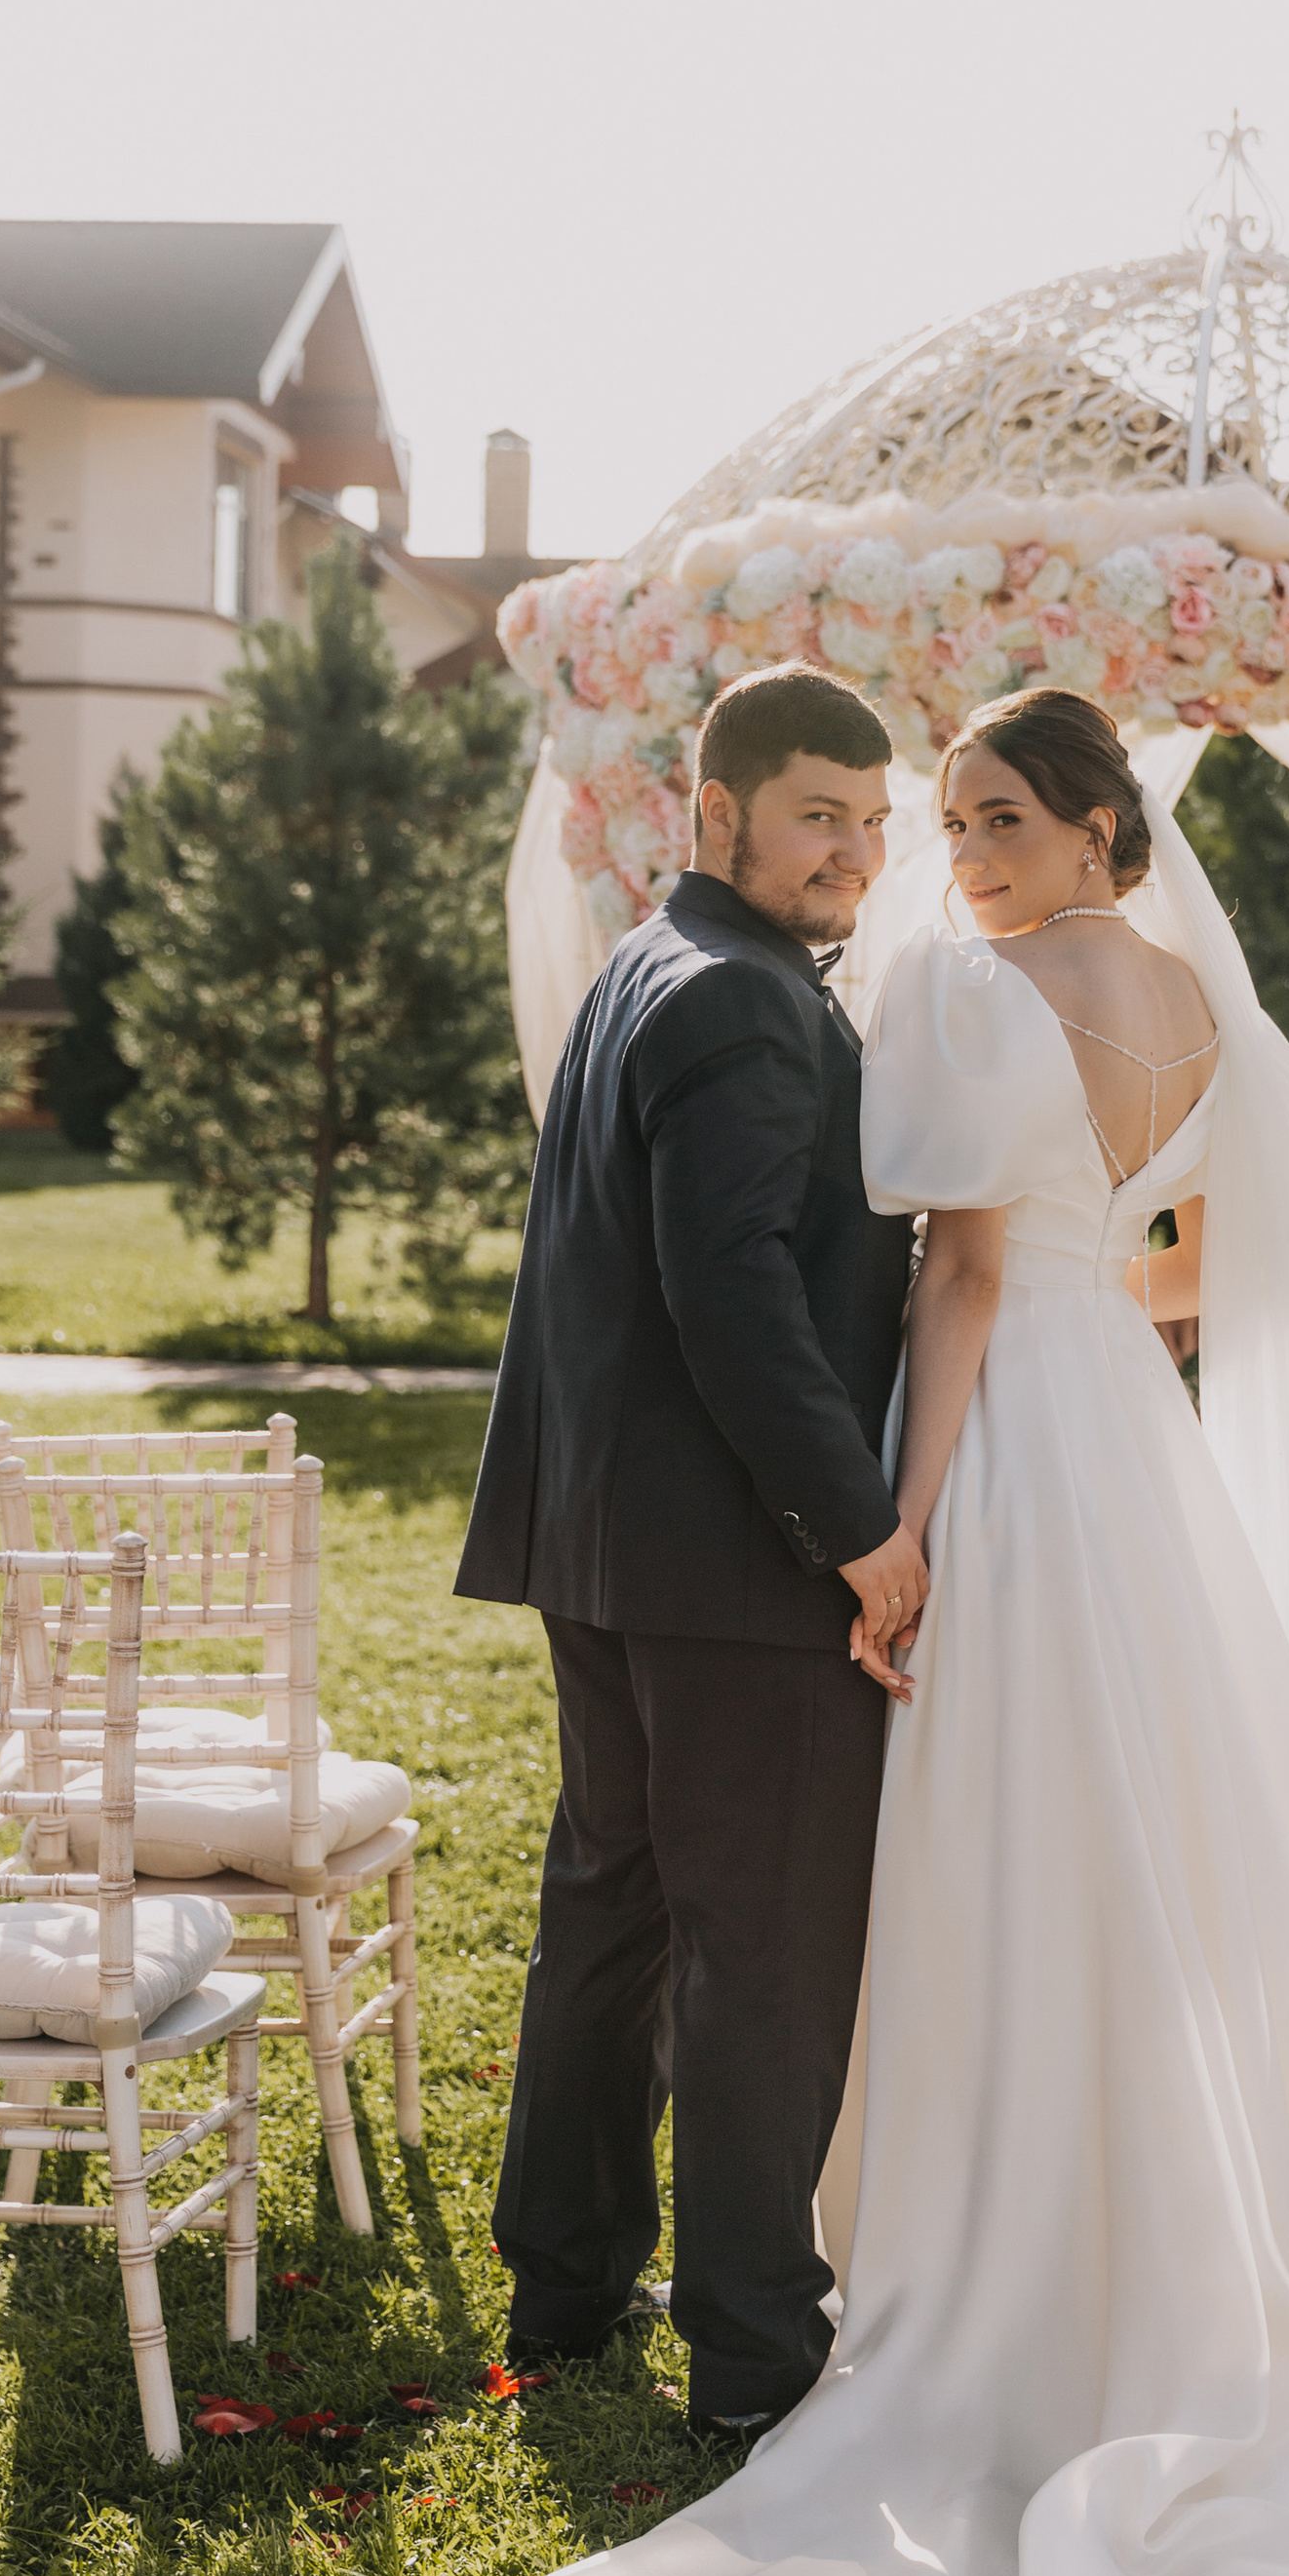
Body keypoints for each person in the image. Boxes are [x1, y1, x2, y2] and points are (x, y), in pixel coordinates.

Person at [505, 686, 1289, 2576]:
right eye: (944, 819)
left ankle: (933, 2249)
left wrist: (895, 1524)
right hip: (1134, 1452)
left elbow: (951, 1281)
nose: (960, 851)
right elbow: (1181, 1260)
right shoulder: (1201, 1006)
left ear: (1104, 824)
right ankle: (1128, 2250)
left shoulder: (958, 994)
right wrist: (1085, 1325)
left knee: (957, 1837)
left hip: (999, 1450)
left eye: (994, 817)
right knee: (1148, 1835)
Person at [454, 660, 925, 2419]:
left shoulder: (650, 969)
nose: (854, 856)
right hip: (734, 1564)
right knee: (768, 1949)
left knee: (619, 1914)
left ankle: (566, 2291)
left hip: (609, 1545)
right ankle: (750, 2349)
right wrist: (858, 1532)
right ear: (718, 811)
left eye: (875, 827)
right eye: (821, 816)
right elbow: (728, 1293)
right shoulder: (734, 998)